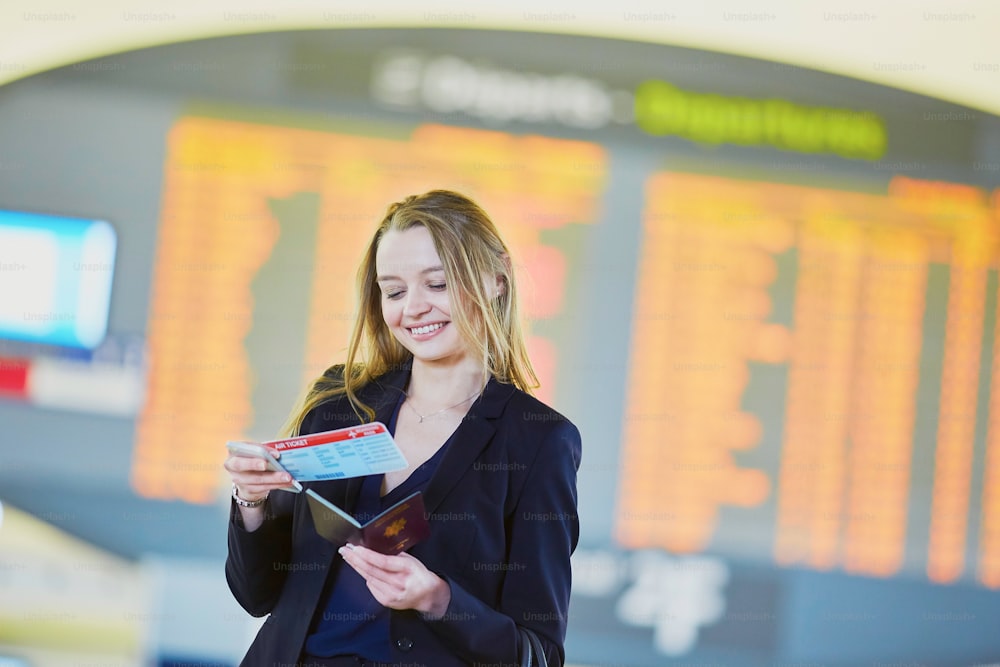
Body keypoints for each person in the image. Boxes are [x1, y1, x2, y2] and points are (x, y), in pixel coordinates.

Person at [224, 190, 582, 667]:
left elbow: (538, 655)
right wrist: (251, 501)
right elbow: (258, 595)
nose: (413, 309)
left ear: (497, 278)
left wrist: (438, 600)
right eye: (394, 291)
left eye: (437, 284)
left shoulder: (538, 440)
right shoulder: (340, 403)